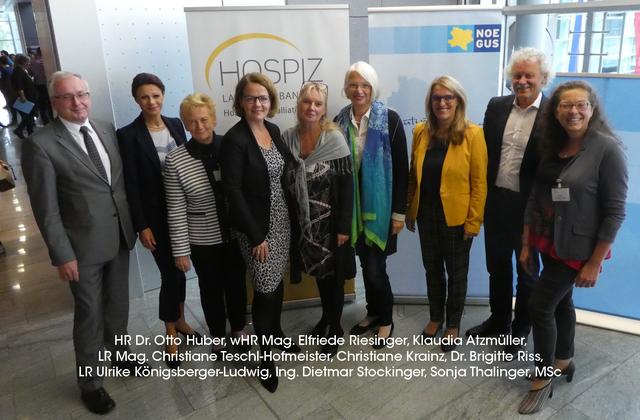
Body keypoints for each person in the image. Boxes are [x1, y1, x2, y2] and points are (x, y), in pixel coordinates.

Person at [21, 71, 143, 415]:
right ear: (54, 102)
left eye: (82, 94)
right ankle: (90, 383)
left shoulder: (106, 129)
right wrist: (62, 254)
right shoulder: (41, 144)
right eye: (67, 97)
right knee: (89, 315)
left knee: (118, 305)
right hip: (81, 249)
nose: (77, 102)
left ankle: (119, 354)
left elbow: (114, 186)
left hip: (119, 237)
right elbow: (46, 209)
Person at [517, 81, 627, 414]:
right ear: (556, 111)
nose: (573, 111)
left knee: (539, 307)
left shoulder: (607, 150)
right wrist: (526, 243)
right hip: (547, 240)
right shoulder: (554, 144)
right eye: (565, 105)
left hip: (578, 248)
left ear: (592, 109)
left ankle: (542, 375)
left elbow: (615, 211)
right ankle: (563, 360)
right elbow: (536, 195)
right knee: (561, 302)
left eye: (580, 105)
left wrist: (594, 263)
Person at [466, 48, 551, 355]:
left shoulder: (554, 112)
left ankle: (519, 330)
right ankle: (499, 319)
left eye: (529, 75)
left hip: (530, 210)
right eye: (517, 75)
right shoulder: (497, 105)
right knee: (497, 266)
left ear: (543, 78)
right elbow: (484, 152)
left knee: (527, 270)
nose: (522, 80)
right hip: (496, 201)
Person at [117, 73, 201, 368]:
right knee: (171, 274)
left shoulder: (176, 124)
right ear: (136, 100)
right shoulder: (128, 135)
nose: (151, 102)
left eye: (155, 95)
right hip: (155, 219)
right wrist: (142, 226)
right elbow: (132, 185)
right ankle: (170, 331)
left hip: (184, 214)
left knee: (182, 272)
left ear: (163, 95)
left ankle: (180, 321)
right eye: (144, 97)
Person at [221, 73, 297, 393]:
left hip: (281, 220)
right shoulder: (234, 140)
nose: (258, 103)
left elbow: (285, 173)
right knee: (265, 293)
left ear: (271, 101)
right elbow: (233, 192)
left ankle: (276, 335)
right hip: (256, 230)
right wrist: (255, 237)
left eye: (263, 98)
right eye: (251, 98)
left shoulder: (274, 130)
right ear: (240, 102)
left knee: (275, 282)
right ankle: (265, 359)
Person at [164, 92, 249, 359]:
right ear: (185, 124)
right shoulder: (175, 160)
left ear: (213, 119)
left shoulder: (232, 147)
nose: (199, 126)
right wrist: (180, 250)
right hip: (203, 240)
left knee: (236, 284)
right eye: (192, 121)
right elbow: (175, 208)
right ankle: (218, 337)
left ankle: (238, 330)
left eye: (204, 119)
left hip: (236, 235)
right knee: (210, 290)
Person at [406, 76, 487, 352]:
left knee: (457, 273)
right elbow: (412, 176)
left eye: (448, 98)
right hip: (426, 214)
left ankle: (452, 324)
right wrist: (409, 209)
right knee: (432, 270)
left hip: (458, 219)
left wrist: (474, 221)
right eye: (437, 98)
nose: (442, 103)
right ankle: (435, 317)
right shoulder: (420, 132)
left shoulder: (473, 134)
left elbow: (480, 183)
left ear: (458, 101)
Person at [334, 61, 408, 349]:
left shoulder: (390, 119)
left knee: (377, 267)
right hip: (352, 210)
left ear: (373, 87)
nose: (359, 90)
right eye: (353, 84)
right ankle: (373, 311)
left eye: (364, 85)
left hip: (382, 209)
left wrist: (399, 213)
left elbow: (402, 170)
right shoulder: (339, 121)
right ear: (347, 88)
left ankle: (386, 319)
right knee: (366, 264)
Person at [282, 82, 355, 356]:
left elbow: (348, 189)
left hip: (331, 225)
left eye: (318, 103)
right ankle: (326, 318)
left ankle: (334, 328)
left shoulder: (333, 139)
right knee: (319, 277)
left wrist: (344, 228)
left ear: (324, 109)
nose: (311, 108)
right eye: (306, 102)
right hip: (304, 226)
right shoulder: (287, 139)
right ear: (298, 105)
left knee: (333, 279)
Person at [10, 54, 37, 139]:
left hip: (29, 95)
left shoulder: (22, 70)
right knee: (28, 115)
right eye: (27, 61)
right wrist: (22, 96)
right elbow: (19, 85)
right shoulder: (18, 71)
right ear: (23, 62)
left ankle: (27, 131)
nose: (29, 63)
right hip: (26, 97)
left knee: (29, 115)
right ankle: (25, 131)